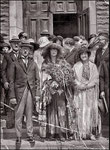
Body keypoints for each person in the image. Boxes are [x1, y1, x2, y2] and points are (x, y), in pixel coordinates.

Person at [40, 43, 75, 141]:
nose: (54, 52)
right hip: (51, 91)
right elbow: (43, 76)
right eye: (52, 50)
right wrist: (50, 82)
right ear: (49, 51)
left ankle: (62, 132)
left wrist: (63, 82)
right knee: (52, 111)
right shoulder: (45, 63)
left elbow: (68, 74)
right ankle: (52, 132)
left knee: (62, 111)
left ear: (58, 51)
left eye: (55, 50)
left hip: (61, 91)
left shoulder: (63, 62)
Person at [9, 41, 40, 149]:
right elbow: (11, 81)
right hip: (19, 93)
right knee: (18, 115)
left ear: (30, 51)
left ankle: (30, 135)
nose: (25, 50)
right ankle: (18, 136)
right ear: (21, 50)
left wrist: (37, 94)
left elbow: (37, 80)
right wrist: (12, 96)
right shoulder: (15, 63)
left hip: (30, 92)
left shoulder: (33, 63)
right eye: (23, 49)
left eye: (27, 49)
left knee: (29, 115)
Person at [72, 47, 100, 140]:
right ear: (80, 56)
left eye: (85, 54)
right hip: (80, 92)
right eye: (82, 54)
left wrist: (88, 85)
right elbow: (73, 78)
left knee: (90, 112)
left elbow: (96, 79)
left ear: (88, 55)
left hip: (90, 92)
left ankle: (90, 133)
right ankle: (80, 133)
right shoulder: (76, 66)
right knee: (80, 111)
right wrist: (79, 85)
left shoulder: (93, 66)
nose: (83, 56)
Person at [2, 36, 21, 128]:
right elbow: (3, 71)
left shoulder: (23, 55)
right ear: (11, 45)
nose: (16, 45)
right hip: (10, 83)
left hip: (20, 83)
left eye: (17, 43)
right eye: (14, 43)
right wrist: (5, 81)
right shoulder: (7, 56)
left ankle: (20, 123)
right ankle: (10, 123)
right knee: (10, 102)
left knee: (21, 103)